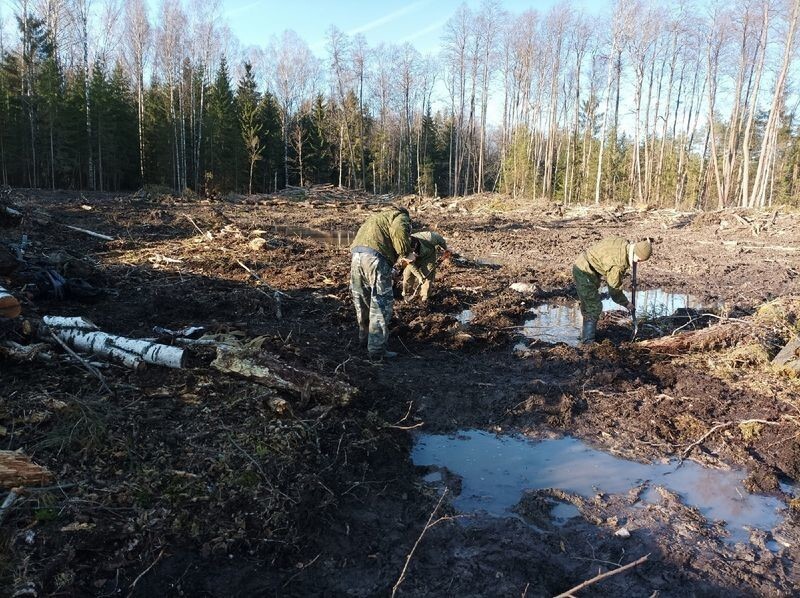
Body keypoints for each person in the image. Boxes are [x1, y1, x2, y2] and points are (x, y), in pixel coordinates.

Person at [350, 206, 416, 360]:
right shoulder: (400, 217)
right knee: (380, 304)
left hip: (357, 257)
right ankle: (377, 350)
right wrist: (407, 253)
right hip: (375, 260)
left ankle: (364, 339)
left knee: (362, 300)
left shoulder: (376, 218)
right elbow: (400, 234)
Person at [572, 236, 653, 343]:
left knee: (589, 304)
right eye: (640, 261)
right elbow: (614, 289)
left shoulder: (623, 243)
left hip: (589, 266)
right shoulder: (618, 264)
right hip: (584, 271)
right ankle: (588, 343)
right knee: (593, 307)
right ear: (639, 258)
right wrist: (626, 303)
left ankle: (586, 335)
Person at [402, 231, 449, 303]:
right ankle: (407, 294)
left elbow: (440, 239)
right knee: (408, 275)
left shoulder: (429, 237)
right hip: (411, 258)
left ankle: (425, 296)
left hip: (428, 256)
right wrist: (420, 277)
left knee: (428, 275)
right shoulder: (404, 248)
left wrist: (446, 249)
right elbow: (411, 265)